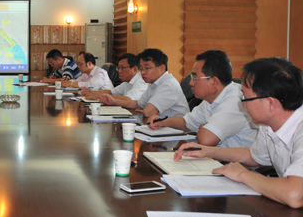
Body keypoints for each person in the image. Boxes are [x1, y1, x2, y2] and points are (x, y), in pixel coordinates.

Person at [175, 57, 303, 208]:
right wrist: (208, 151)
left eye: (246, 98)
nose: (243, 105)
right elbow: (254, 156)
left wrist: (242, 174)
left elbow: (295, 195)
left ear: (270, 103)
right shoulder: (268, 122)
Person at [149, 50, 256, 148]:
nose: (191, 83)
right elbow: (186, 122)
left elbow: (206, 139)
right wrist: (163, 122)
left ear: (214, 81)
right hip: (217, 157)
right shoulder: (210, 99)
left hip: (237, 162)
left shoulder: (235, 101)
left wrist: (203, 128)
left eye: (195, 78)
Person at [101, 48, 189, 119]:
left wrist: (144, 110)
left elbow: (148, 112)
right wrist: (113, 101)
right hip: (159, 126)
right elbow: (138, 104)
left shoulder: (168, 84)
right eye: (142, 68)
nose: (142, 72)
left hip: (175, 131)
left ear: (161, 68)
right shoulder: (153, 82)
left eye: (147, 68)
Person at [83, 53, 148, 101]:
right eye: (118, 68)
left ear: (135, 69)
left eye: (123, 68)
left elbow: (129, 99)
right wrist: (91, 93)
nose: (119, 71)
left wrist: (100, 95)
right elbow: (111, 92)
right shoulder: (127, 82)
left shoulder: (141, 81)